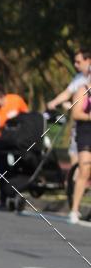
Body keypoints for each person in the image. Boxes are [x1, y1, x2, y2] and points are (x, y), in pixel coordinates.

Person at [47, 48, 91, 167]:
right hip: (81, 125)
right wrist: (54, 102)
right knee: (74, 156)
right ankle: (74, 182)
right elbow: (67, 93)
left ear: (88, 60)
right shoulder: (79, 78)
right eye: (75, 62)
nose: (75, 65)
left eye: (79, 62)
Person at [68, 69, 91, 223]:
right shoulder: (83, 90)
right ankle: (74, 209)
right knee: (84, 169)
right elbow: (75, 113)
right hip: (86, 133)